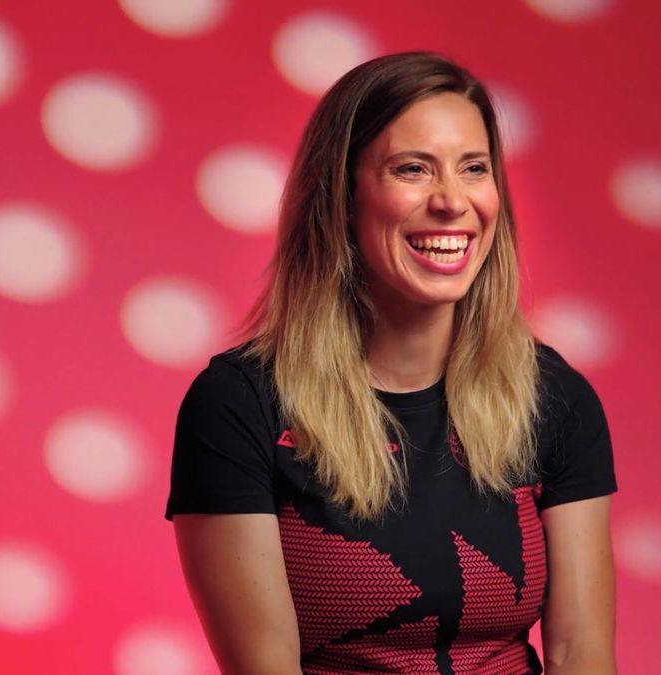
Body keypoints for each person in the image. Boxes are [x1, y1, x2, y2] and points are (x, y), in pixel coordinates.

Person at [165, 51, 618, 675]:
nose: (452, 201)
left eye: (474, 168)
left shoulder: (554, 396)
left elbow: (579, 655)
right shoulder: (239, 404)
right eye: (412, 169)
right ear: (342, 197)